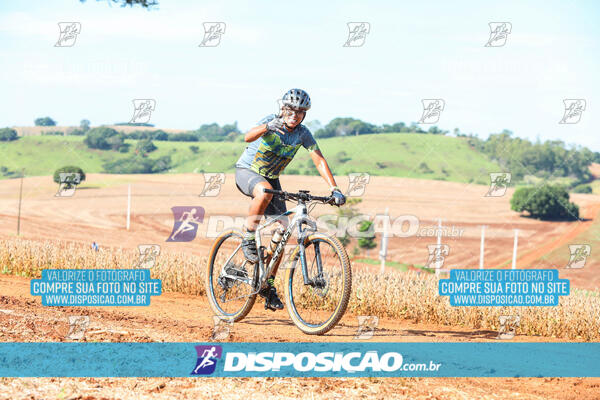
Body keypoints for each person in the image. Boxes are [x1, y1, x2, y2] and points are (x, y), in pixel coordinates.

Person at [234, 89, 346, 311]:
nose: (295, 115)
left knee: (283, 230)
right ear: (283, 109)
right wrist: (267, 127)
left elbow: (319, 160)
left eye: (300, 112)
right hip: (247, 171)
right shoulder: (271, 121)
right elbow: (247, 137)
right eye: (291, 110)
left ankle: (268, 285)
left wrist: (334, 188)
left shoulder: (303, 134)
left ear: (304, 115)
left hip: (272, 178)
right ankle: (248, 237)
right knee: (264, 191)